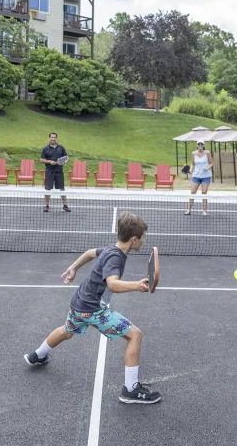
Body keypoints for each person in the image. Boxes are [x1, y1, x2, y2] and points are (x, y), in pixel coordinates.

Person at [24, 212, 162, 404]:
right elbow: (113, 284)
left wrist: (73, 267)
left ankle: (37, 355)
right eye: (143, 238)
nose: (143, 242)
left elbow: (90, 253)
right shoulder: (116, 258)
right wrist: (137, 285)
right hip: (93, 309)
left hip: (79, 302)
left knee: (66, 331)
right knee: (135, 335)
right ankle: (130, 389)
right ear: (133, 239)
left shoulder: (110, 249)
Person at [39, 132, 70, 213]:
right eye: (52, 137)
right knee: (48, 189)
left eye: (54, 137)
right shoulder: (45, 149)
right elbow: (41, 160)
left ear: (56, 138)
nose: (53, 139)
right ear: (49, 138)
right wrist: (49, 162)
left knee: (62, 188)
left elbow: (66, 158)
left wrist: (61, 161)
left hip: (59, 171)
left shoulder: (61, 148)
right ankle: (46, 205)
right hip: (49, 171)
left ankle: (65, 205)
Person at [185, 140, 213, 216]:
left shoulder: (207, 153)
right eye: (198, 144)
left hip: (206, 176)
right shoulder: (193, 153)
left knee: (204, 193)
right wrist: (191, 170)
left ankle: (204, 211)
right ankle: (189, 210)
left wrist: (207, 168)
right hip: (196, 176)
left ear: (204, 145)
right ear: (197, 145)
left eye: (201, 144)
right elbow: (193, 164)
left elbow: (211, 163)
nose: (200, 145)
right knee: (192, 192)